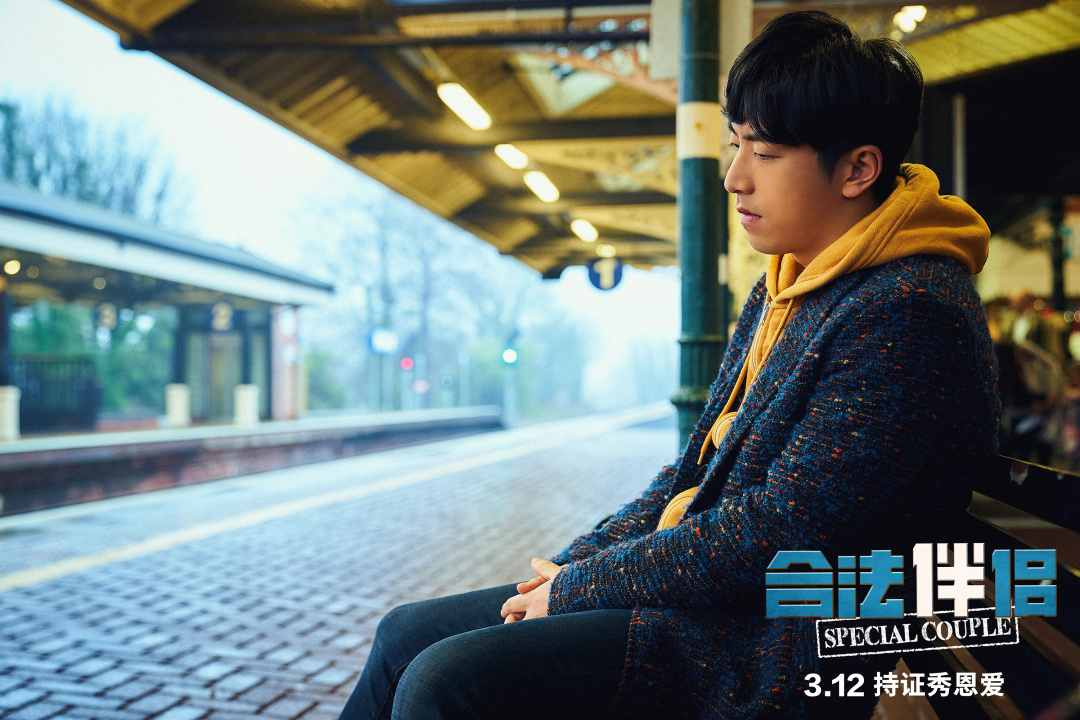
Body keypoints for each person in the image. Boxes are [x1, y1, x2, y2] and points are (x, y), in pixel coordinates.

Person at [338, 11, 1000, 720]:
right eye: (736, 145)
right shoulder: (789, 283)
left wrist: (581, 588)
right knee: (404, 635)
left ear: (858, 169)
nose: (734, 178)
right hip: (711, 605)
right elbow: (694, 472)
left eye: (765, 153)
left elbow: (782, 532)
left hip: (767, 644)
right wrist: (576, 565)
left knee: (444, 680)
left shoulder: (908, 310)